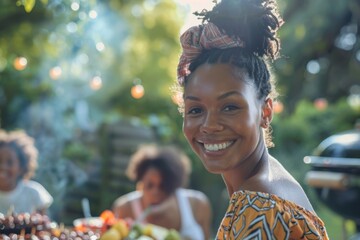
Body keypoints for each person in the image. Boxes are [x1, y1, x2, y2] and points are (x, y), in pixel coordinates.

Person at [174, 0, 329, 239]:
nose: (209, 125)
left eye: (230, 106)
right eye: (195, 110)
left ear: (265, 112)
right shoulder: (274, 182)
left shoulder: (257, 207)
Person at [112, 144, 212, 240]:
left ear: (174, 187)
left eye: (163, 186)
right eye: (149, 185)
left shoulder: (197, 204)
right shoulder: (124, 209)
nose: (155, 192)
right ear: (140, 184)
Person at [0, 129, 53, 215]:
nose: (3, 167)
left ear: (21, 167)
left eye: (9, 162)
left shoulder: (33, 193)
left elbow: (44, 223)